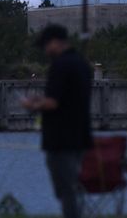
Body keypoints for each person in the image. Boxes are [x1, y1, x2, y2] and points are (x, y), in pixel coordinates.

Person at [22, 24, 92, 218]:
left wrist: (33, 105)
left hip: (61, 139)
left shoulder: (60, 65)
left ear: (54, 42)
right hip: (80, 136)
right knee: (73, 185)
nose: (45, 50)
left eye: (45, 45)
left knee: (66, 189)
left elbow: (53, 102)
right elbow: (70, 98)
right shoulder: (81, 63)